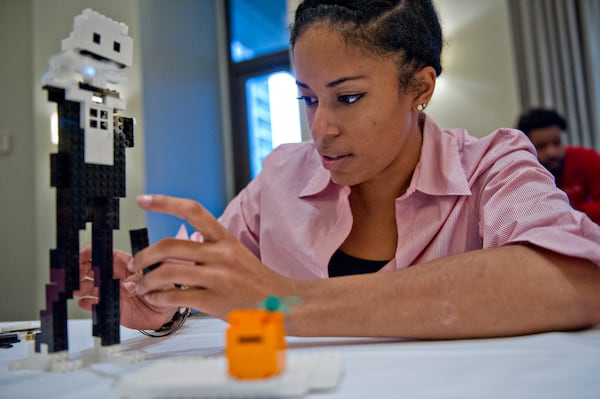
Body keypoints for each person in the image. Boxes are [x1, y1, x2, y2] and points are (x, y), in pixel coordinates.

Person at [77, 0, 600, 339]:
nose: (320, 128)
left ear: (419, 87)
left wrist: (285, 301)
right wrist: (162, 307)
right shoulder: (280, 178)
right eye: (307, 99)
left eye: (348, 97)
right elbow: (206, 281)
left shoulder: (492, 164)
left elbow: (576, 279)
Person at [517, 108, 600, 225]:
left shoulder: (587, 158)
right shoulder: (523, 174)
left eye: (557, 142)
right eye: (541, 146)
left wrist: (567, 213)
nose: (552, 152)